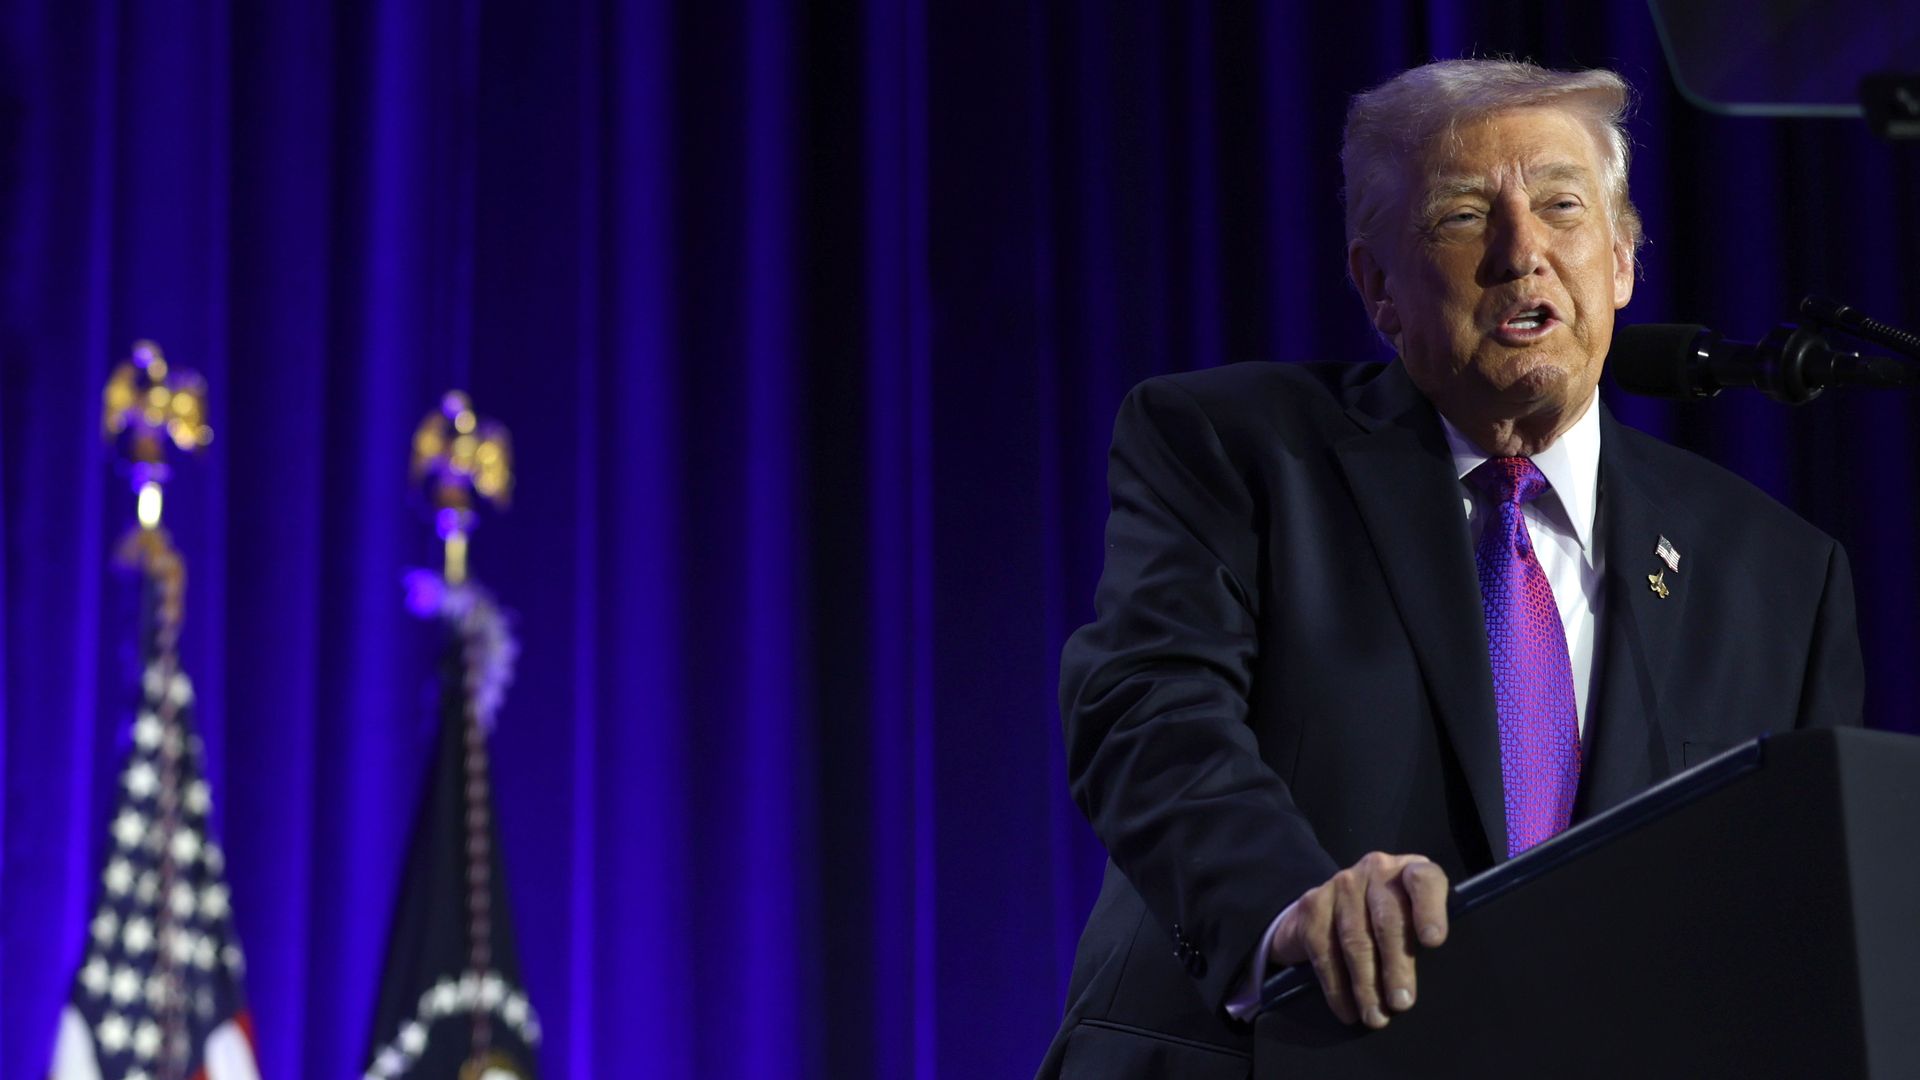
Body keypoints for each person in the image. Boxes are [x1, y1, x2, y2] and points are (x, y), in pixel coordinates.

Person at [1038, 58, 1864, 1079]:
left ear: (1621, 260)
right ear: (1377, 285)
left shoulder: (1777, 574)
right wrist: (1293, 909)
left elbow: (1800, 909)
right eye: (1464, 217)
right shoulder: (1236, 450)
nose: (1524, 255)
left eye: (1562, 205)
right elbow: (1145, 711)